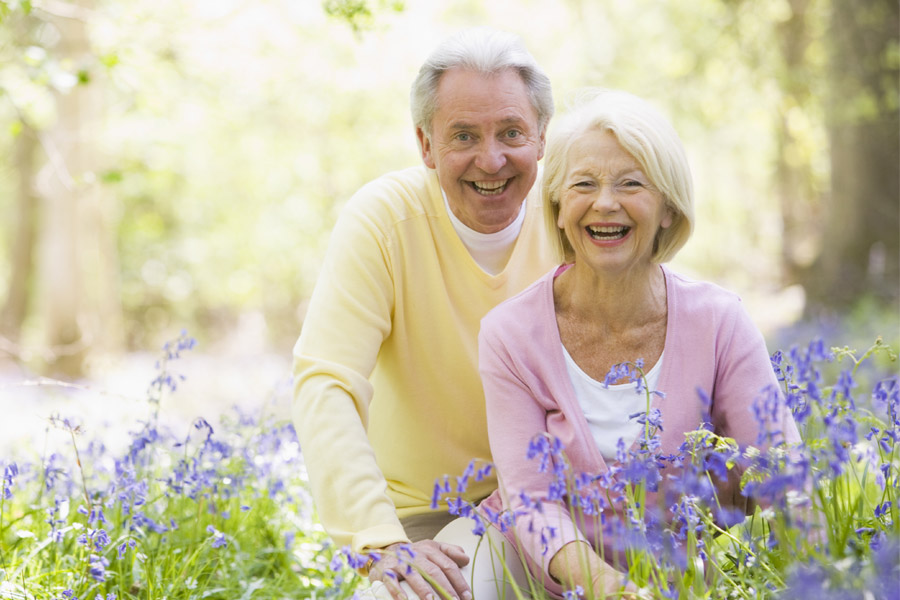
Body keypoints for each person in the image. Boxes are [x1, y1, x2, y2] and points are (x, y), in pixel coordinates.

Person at [477, 88, 802, 598]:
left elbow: (780, 468)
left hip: (683, 574)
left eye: (631, 183)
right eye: (584, 183)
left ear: (668, 209)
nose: (605, 203)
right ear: (559, 207)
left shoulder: (720, 321)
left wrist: (824, 563)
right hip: (538, 564)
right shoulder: (510, 334)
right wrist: (616, 590)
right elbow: (532, 501)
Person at [291, 28, 560, 600]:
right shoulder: (384, 222)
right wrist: (381, 539)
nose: (491, 159)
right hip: (424, 521)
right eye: (463, 135)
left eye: (511, 132)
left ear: (541, 138)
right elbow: (326, 383)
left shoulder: (572, 217)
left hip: (559, 504)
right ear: (426, 145)